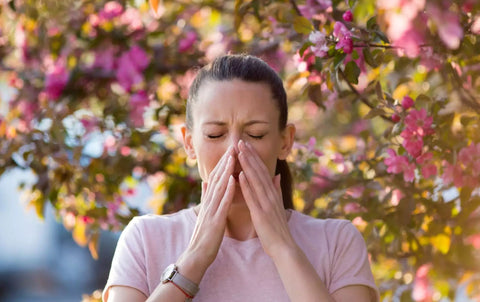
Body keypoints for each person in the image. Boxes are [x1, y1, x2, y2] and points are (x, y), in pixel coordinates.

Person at [103, 54, 379, 302]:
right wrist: (196, 257)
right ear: (189, 143)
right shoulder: (145, 239)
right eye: (214, 135)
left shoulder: (336, 242)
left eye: (255, 134)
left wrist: (282, 248)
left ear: (285, 141)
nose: (234, 150)